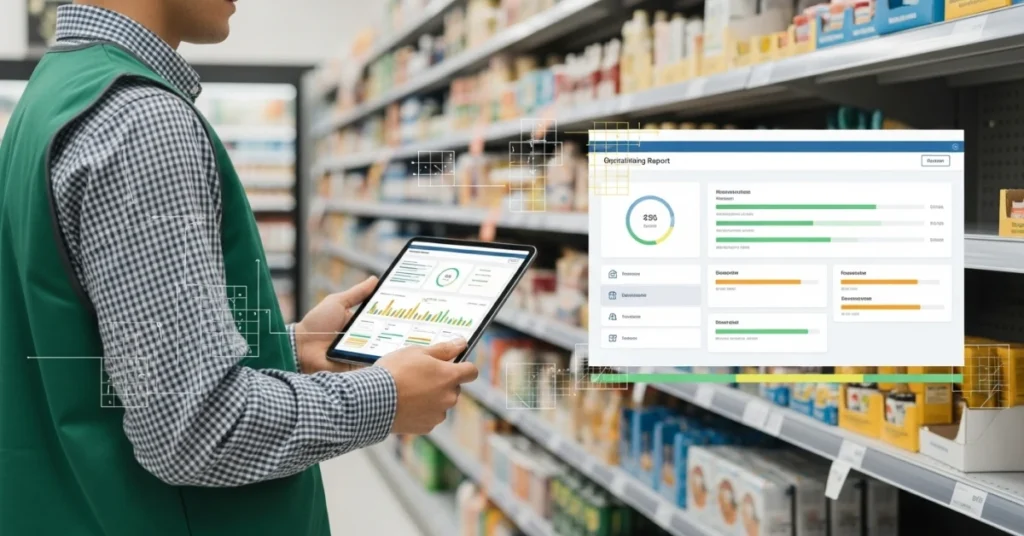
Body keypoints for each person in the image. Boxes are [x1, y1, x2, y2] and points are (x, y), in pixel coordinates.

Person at [0, 1, 478, 535]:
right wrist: (387, 397)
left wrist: (283, 347)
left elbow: (103, 358)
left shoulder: (54, 92)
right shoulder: (142, 121)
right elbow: (196, 430)